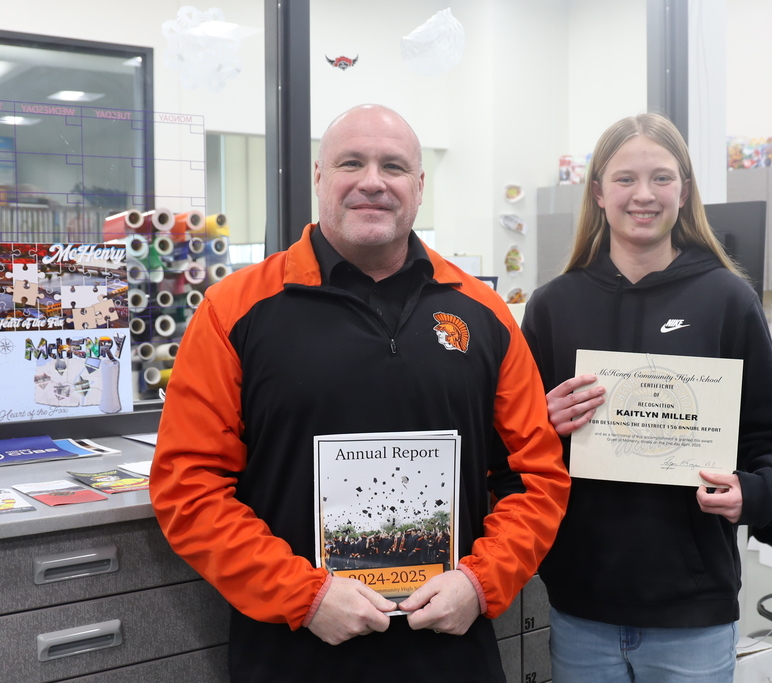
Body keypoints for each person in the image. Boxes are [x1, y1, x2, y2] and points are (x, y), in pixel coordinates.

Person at [150, 104, 570, 682]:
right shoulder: (234, 311)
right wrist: (304, 595)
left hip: (448, 651)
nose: (372, 180)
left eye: (393, 166)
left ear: (419, 186)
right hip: (294, 652)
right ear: (320, 177)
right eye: (352, 162)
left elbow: (536, 477)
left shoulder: (484, 313)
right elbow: (188, 488)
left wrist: (482, 582)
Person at [520, 112, 772, 683]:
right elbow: (511, 454)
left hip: (692, 611)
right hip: (582, 604)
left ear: (685, 190)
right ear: (599, 192)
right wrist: (540, 424)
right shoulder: (553, 307)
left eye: (662, 177)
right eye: (625, 179)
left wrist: (750, 494)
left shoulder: (728, 300)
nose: (643, 195)